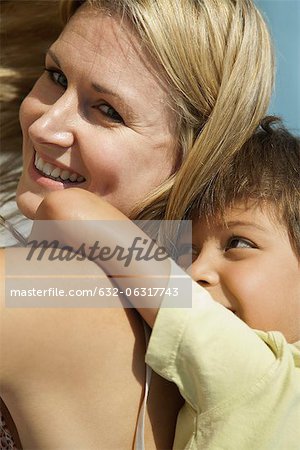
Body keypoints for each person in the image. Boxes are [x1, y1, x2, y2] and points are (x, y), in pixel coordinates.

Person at [0, 0, 275, 447]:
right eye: (55, 76)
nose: (46, 125)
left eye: (107, 111)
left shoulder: (50, 293)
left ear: (191, 158)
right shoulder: (188, 335)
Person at [38, 117, 299, 449]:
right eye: (186, 251)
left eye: (239, 244)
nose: (195, 271)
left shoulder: (261, 378)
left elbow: (69, 208)